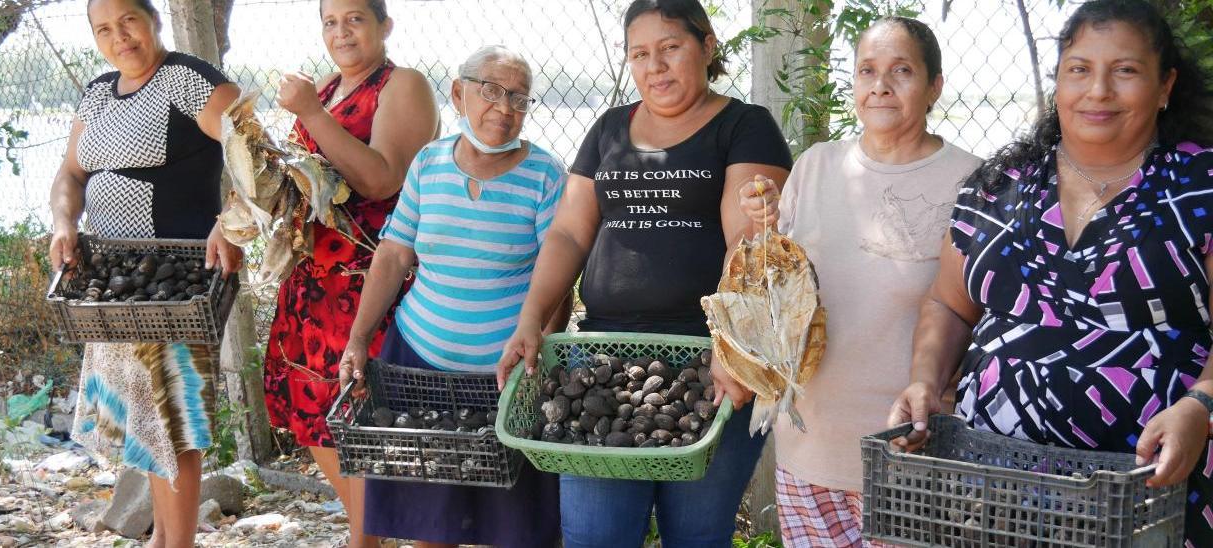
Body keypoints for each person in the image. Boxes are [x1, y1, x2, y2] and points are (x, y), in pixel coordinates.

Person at [885, 0, 1213, 543]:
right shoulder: (995, 188)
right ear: (1058, 81)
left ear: (1164, 86)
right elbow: (947, 304)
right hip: (995, 493)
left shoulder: (1199, 189)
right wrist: (926, 379)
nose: (1098, 91)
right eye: (1079, 69)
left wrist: (1201, 406)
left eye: (1125, 71)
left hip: (1152, 498)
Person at [496, 1, 792, 545]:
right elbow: (568, 233)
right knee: (593, 533)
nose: (654, 66)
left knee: (697, 535)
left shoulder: (745, 127)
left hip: (710, 364)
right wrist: (532, 318)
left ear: (706, 46)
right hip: (605, 362)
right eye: (640, 54)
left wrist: (731, 346)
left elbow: (745, 244)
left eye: (670, 48)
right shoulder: (609, 128)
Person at [742, 17, 981, 547]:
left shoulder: (974, 181)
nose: (881, 85)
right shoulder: (816, 165)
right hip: (810, 448)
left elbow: (980, 312)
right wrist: (762, 228)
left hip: (912, 451)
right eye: (867, 71)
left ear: (935, 85)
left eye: (902, 71)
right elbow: (780, 294)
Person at [337, 45, 567, 548]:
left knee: (516, 528)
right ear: (458, 93)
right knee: (430, 523)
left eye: (519, 98)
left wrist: (538, 365)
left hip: (504, 376)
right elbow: (394, 256)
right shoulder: (429, 162)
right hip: (420, 361)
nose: (505, 108)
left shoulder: (546, 175)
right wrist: (359, 337)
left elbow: (558, 279)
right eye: (491, 91)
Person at [47, 0, 242, 546]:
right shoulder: (97, 93)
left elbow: (257, 151)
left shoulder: (186, 79)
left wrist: (231, 220)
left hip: (177, 281)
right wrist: (64, 220)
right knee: (145, 414)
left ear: (153, 18)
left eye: (129, 20)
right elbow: (70, 172)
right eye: (103, 29)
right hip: (113, 281)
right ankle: (161, 538)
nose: (120, 37)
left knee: (172, 417)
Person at [260, 0, 438, 546]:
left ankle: (369, 536)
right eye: (330, 22)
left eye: (356, 19)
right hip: (313, 279)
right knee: (313, 412)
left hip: (370, 282)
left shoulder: (402, 85)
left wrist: (310, 114)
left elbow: (381, 180)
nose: (341, 32)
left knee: (365, 417)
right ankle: (366, 531)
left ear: (385, 26)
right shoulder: (330, 89)